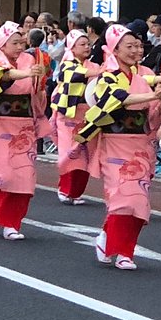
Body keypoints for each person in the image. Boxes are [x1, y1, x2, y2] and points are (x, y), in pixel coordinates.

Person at [75, 25, 161, 269]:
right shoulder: (106, 77)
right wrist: (152, 96)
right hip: (115, 144)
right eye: (129, 46)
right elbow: (117, 100)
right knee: (122, 197)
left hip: (139, 145)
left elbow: (150, 120)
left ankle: (119, 246)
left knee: (139, 200)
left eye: (138, 46)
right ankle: (121, 251)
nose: (136, 51)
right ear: (114, 49)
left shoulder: (142, 77)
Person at [0, 21, 49, 239]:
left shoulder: (29, 60)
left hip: (24, 125)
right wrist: (26, 74)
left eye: (21, 42)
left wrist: (39, 87)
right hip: (0, 123)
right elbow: (1, 77)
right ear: (3, 44)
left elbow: (36, 92)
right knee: (4, 173)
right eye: (14, 43)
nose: (19, 47)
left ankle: (12, 223)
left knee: (24, 174)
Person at [52, 30, 104, 204]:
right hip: (68, 114)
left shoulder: (94, 66)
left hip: (88, 114)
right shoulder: (67, 65)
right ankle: (64, 188)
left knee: (86, 153)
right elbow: (74, 74)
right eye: (82, 45)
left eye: (88, 44)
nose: (87, 47)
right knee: (70, 151)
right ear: (72, 48)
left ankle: (75, 192)